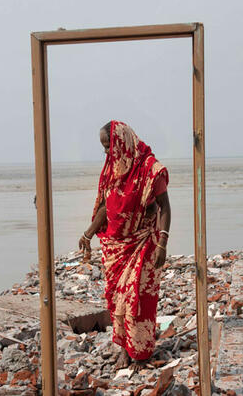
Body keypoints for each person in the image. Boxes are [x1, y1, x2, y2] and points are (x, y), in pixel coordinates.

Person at [78, 120, 171, 370]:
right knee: (118, 301)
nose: (107, 152)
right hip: (116, 248)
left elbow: (164, 207)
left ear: (122, 143)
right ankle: (124, 349)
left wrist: (163, 242)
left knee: (138, 300)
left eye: (109, 146)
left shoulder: (151, 169)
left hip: (144, 244)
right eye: (104, 148)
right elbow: (105, 209)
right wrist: (88, 234)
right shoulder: (112, 170)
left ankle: (140, 353)